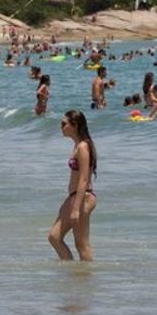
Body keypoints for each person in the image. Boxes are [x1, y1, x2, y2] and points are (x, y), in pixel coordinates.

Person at [49, 111, 96, 261]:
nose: (61, 127)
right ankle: (74, 274)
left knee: (81, 244)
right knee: (54, 236)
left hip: (83, 198)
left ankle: (85, 278)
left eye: (64, 124)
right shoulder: (77, 145)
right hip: (74, 197)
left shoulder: (83, 147)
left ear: (74, 126)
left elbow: (83, 179)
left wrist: (76, 208)